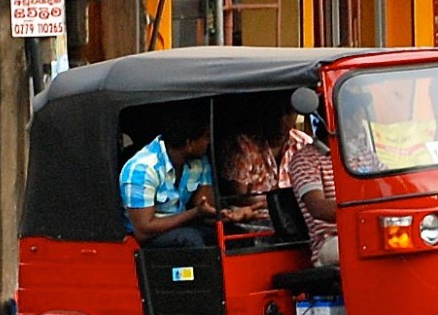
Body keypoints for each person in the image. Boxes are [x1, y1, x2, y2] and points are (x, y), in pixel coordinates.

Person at [119, 108, 254, 247]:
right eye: (206, 136)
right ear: (189, 144)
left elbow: (207, 209)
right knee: (190, 240)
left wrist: (232, 215)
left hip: (183, 226)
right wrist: (194, 213)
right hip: (147, 239)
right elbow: (144, 230)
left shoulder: (199, 161)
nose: (209, 142)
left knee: (238, 236)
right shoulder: (142, 169)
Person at [220, 93, 311, 218]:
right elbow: (239, 197)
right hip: (255, 217)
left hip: (298, 217)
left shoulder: (304, 143)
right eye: (276, 113)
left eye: (289, 112)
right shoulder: (243, 144)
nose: (282, 120)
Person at [289, 119, 339, 267]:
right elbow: (317, 208)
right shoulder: (304, 159)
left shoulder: (362, 152)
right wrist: (363, 208)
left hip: (366, 229)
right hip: (330, 240)